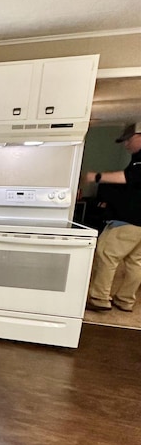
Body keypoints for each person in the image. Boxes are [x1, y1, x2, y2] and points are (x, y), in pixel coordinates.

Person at [84, 121, 141, 312]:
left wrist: (96, 177)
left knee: (106, 254)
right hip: (138, 223)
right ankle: (125, 300)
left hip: (128, 218)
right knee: (135, 261)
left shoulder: (140, 161)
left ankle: (99, 297)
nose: (126, 145)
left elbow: (129, 178)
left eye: (128, 139)